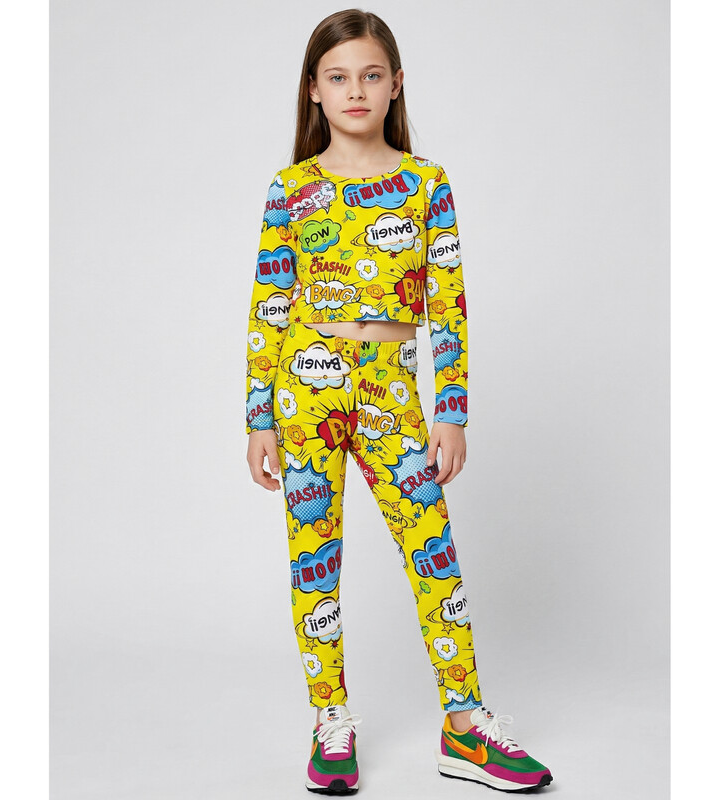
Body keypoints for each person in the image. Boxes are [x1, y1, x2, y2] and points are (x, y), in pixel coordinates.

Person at [244, 9, 552, 795]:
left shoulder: (426, 184)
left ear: (395, 85)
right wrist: (258, 417)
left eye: (371, 75)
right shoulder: (290, 190)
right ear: (314, 90)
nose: (356, 90)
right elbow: (269, 306)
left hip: (391, 389)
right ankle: (331, 723)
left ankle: (465, 726)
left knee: (431, 550)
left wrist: (451, 411)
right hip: (304, 388)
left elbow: (448, 306)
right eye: (338, 76)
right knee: (314, 560)